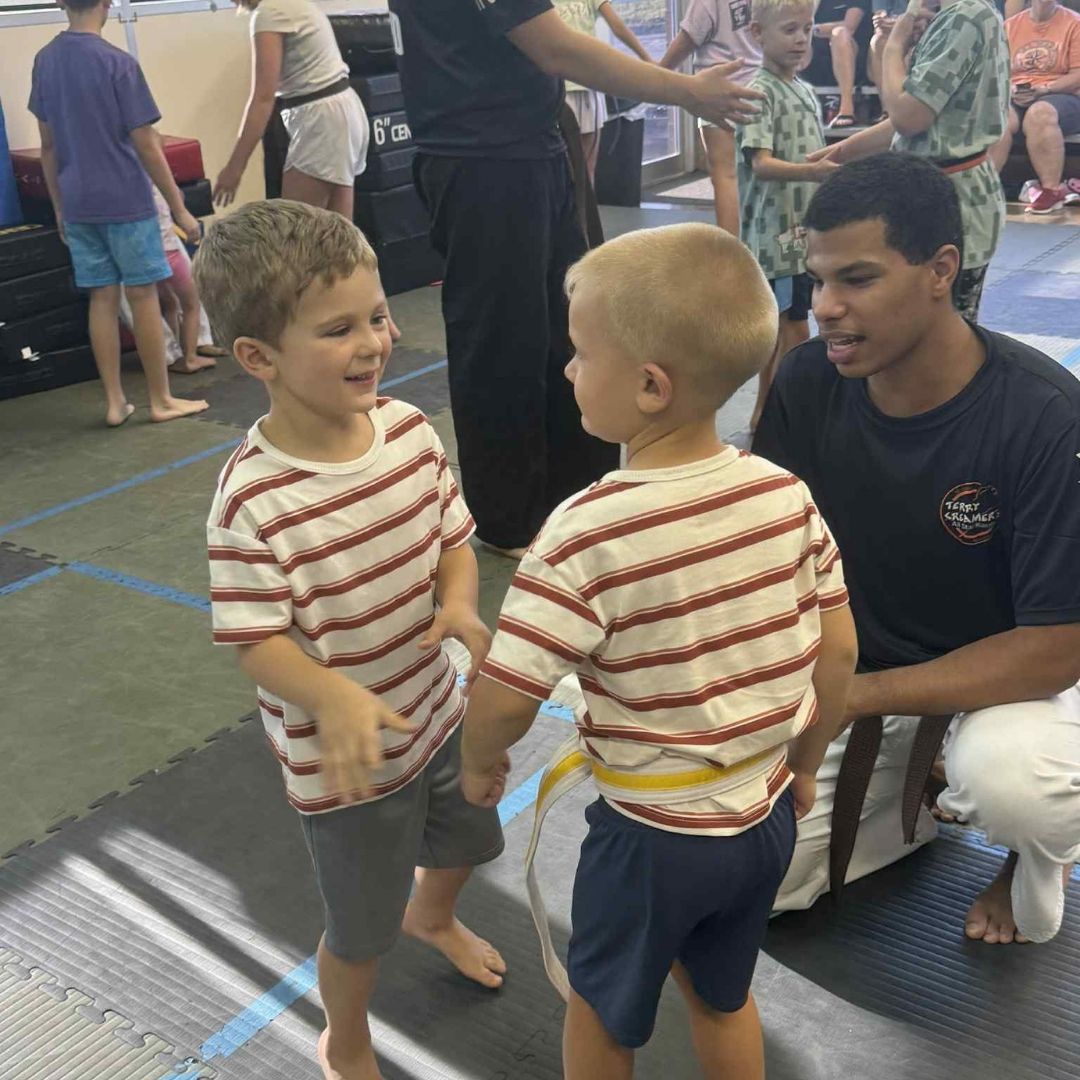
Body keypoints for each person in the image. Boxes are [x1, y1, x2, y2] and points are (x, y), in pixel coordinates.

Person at [460, 223, 858, 1080]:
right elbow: (840, 656)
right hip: (762, 819)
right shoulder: (783, 492)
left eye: (578, 353)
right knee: (723, 994)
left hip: (651, 842)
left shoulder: (583, 530)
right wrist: (807, 765)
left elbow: (503, 693)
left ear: (647, 385)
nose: (568, 370)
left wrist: (477, 765)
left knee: (602, 1016)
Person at [196, 201, 506, 1080]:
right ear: (258, 358)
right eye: (338, 329)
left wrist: (460, 606)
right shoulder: (253, 503)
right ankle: (349, 1034)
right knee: (360, 930)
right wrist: (334, 697)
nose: (374, 341)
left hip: (437, 711)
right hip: (347, 765)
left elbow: (453, 541)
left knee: (469, 842)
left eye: (376, 316)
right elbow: (257, 642)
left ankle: (436, 916)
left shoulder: (408, 433)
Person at [753, 153, 1080, 946]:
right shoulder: (804, 382)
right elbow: (767, 555)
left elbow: (1054, 650)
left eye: (857, 280)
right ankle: (909, 801)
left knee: (1013, 782)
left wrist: (853, 700)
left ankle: (1036, 858)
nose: (825, 307)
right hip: (859, 670)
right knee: (748, 881)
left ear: (941, 270)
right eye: (818, 279)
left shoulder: (1045, 417)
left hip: (1006, 687)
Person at [388, 0, 765, 560]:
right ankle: (509, 519)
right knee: (501, 346)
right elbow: (554, 46)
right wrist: (685, 90)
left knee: (570, 331)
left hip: (528, 146)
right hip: (484, 160)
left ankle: (576, 494)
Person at [28, 0, 208, 428]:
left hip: (78, 203)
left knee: (102, 298)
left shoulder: (45, 61)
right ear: (108, 3)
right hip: (125, 201)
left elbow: (48, 147)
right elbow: (147, 144)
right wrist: (180, 209)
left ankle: (114, 401)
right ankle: (160, 398)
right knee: (142, 295)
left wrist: (58, 205)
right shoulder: (118, 64)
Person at [808, 0, 1010, 321]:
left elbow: (908, 116)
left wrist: (895, 47)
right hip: (927, 191)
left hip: (956, 199)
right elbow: (910, 117)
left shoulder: (966, 18)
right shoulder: (949, 14)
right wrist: (841, 152)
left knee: (942, 334)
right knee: (907, 325)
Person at [737, 0, 837, 431]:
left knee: (789, 327)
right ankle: (782, 418)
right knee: (792, 330)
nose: (800, 39)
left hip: (804, 234)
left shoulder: (804, 89)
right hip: (777, 237)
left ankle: (769, 415)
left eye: (807, 29)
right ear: (758, 34)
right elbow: (761, 163)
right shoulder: (760, 92)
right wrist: (814, 170)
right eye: (790, 30)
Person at [213, 0, 369, 218]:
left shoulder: (269, 12)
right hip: (343, 111)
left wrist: (235, 167)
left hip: (323, 120)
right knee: (339, 240)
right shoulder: (289, 4)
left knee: (292, 234)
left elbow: (263, 98)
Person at [660, 0, 763, 234]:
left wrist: (658, 74)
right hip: (762, 87)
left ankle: (732, 253)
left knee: (725, 174)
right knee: (762, 173)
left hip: (718, 92)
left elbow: (687, 40)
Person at [988, 0, 1080, 213]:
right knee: (1000, 116)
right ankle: (986, 189)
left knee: (1040, 113)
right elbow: (997, 72)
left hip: (1063, 93)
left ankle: (1051, 190)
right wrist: (1011, 89)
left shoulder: (1074, 24)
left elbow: (1077, 75)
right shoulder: (1010, 26)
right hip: (1018, 92)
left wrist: (1045, 89)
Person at [553, 0, 654, 183]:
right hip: (557, 90)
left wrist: (647, 59)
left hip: (588, 85)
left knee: (586, 169)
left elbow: (618, 26)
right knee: (561, 168)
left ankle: (585, 211)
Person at [150, 188, 215, 375]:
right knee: (191, 305)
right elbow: (178, 195)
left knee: (168, 304)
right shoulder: (158, 186)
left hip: (151, 255)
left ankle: (175, 355)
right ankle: (190, 357)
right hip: (172, 254)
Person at [801, 0, 871, 128]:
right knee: (793, 36)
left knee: (840, 33)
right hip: (815, 54)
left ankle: (847, 107)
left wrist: (812, 28)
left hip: (850, 54)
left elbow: (849, 26)